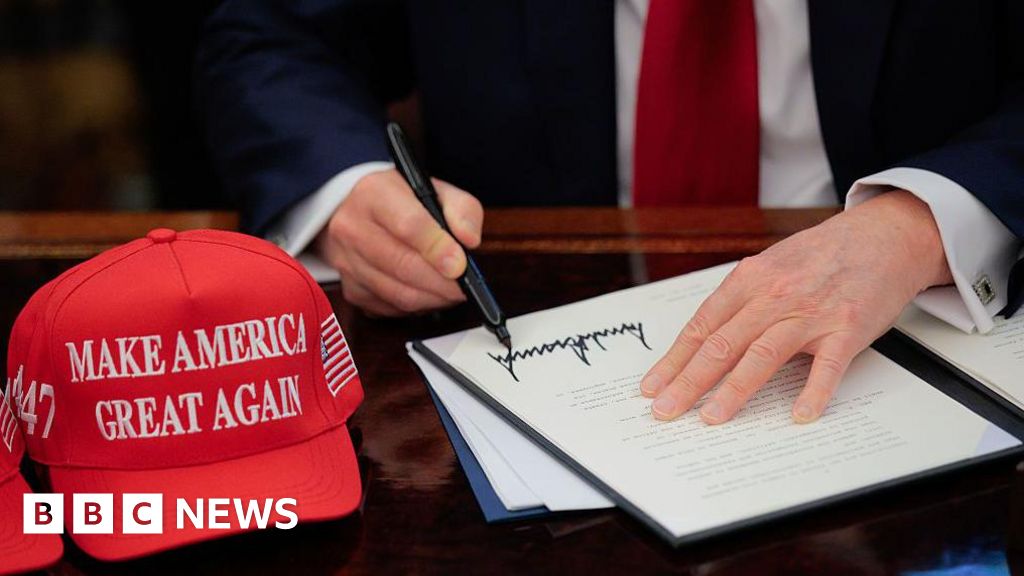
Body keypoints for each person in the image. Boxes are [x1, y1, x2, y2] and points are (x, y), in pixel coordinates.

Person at [197, 0, 1023, 425]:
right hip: (516, 342)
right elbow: (270, 37)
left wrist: (921, 223)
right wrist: (347, 188)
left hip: (919, 333)